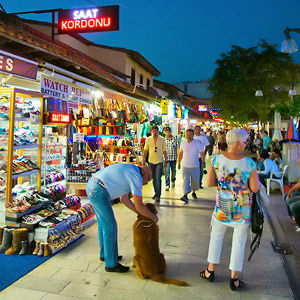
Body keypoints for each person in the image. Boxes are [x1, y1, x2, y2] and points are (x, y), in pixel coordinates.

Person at [200, 128, 259, 291]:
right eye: (246, 142)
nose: (247, 145)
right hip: (243, 211)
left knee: (216, 237)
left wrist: (225, 185)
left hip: (222, 208)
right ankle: (234, 279)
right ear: (238, 144)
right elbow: (255, 188)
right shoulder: (250, 163)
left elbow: (210, 183)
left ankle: (210, 270)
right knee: (239, 242)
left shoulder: (216, 159)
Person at [86, 164, 156, 273]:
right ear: (145, 174)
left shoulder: (131, 170)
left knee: (103, 224)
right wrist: (153, 218)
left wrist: (140, 214)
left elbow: (124, 199)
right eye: (148, 179)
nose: (147, 183)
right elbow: (139, 204)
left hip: (93, 186)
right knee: (110, 226)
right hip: (98, 190)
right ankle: (111, 264)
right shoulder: (136, 176)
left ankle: (106, 254)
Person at [178, 129, 205, 203]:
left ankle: (193, 192)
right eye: (187, 134)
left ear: (193, 135)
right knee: (185, 181)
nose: (188, 136)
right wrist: (179, 162)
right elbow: (180, 153)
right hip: (185, 165)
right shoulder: (183, 143)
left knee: (195, 181)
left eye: (190, 134)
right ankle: (185, 195)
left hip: (195, 165)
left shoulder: (197, 143)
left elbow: (201, 153)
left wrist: (203, 162)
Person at [142, 125, 167, 203]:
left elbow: (164, 151)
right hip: (151, 161)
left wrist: (166, 161)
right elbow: (145, 150)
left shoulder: (162, 139)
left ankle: (158, 195)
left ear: (158, 131)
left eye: (156, 130)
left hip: (159, 161)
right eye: (153, 130)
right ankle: (156, 193)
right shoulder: (148, 139)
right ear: (151, 131)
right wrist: (143, 161)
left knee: (158, 178)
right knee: (153, 179)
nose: (155, 132)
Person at [164, 127, 179, 191]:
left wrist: (178, 157)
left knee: (173, 171)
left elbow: (178, 148)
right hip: (166, 159)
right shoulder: (163, 140)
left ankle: (173, 180)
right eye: (166, 132)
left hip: (173, 158)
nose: (167, 133)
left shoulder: (175, 139)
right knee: (167, 172)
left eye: (168, 132)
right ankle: (167, 184)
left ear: (170, 132)